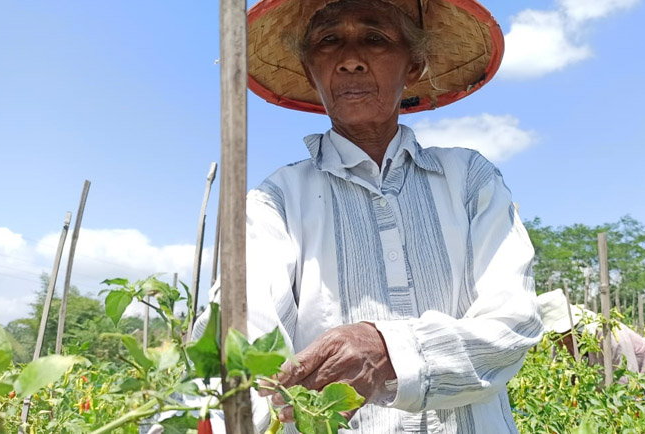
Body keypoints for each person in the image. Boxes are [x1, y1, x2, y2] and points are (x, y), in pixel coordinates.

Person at [194, 0, 543, 432]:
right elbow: (244, 340)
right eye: (329, 40)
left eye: (375, 39)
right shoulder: (276, 202)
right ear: (309, 69)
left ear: (413, 65)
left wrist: (389, 350)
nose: (351, 60)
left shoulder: (469, 180)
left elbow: (513, 325)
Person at [537, 289, 645, 386]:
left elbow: (626, 384)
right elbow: (567, 383)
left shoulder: (609, 337)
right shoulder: (559, 346)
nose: (558, 341)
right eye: (553, 336)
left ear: (573, 328)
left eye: (560, 334)